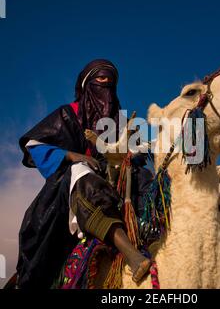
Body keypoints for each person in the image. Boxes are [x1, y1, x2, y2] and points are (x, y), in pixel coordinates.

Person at [17, 59, 151, 289]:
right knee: (81, 173)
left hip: (117, 181)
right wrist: (71, 155)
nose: (106, 83)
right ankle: (131, 253)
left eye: (111, 82)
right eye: (101, 79)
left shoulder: (123, 122)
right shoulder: (68, 113)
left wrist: (130, 156)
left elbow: (141, 151)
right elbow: (33, 144)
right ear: (87, 84)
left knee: (145, 176)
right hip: (71, 188)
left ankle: (153, 234)